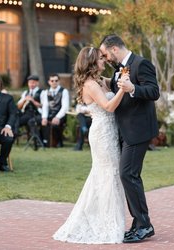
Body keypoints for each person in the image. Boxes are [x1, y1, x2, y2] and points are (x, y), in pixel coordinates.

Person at [53, 46, 126, 244]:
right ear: (93, 62)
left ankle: (109, 219)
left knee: (108, 175)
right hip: (102, 133)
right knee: (107, 174)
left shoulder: (100, 81)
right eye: (101, 59)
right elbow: (109, 106)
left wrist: (123, 76)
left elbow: (116, 84)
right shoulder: (91, 85)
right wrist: (124, 89)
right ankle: (106, 224)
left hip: (110, 132)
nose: (104, 61)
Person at [100, 34, 159, 243]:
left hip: (138, 130)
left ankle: (145, 225)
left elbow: (154, 91)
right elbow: (119, 88)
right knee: (129, 175)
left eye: (105, 54)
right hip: (125, 130)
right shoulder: (119, 69)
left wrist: (133, 88)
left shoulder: (141, 64)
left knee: (128, 174)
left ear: (114, 49)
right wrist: (106, 82)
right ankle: (138, 223)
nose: (105, 58)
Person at [41, 74, 69, 147]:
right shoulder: (46, 92)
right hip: (50, 115)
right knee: (41, 122)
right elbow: (45, 106)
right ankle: (45, 142)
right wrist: (44, 117)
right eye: (52, 81)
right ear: (49, 82)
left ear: (59, 81)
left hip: (61, 115)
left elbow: (65, 107)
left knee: (56, 124)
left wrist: (57, 117)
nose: (54, 82)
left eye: (56, 80)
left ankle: (58, 142)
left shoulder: (64, 91)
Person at [16, 75, 44, 148]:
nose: (32, 84)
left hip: (37, 113)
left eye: (34, 82)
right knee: (16, 121)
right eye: (30, 82)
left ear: (37, 83)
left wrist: (33, 101)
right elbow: (18, 106)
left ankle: (37, 142)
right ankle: (12, 139)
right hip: (27, 113)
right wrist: (25, 100)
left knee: (31, 122)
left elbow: (43, 106)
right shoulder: (25, 92)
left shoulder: (42, 92)